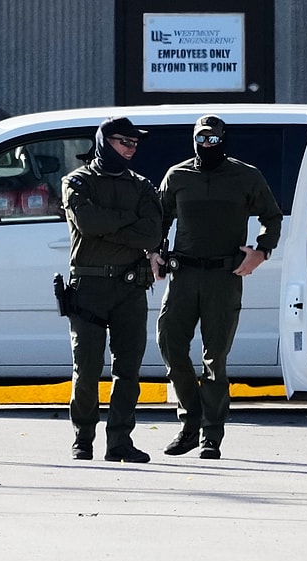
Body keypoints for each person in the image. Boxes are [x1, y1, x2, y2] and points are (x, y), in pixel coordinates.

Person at [150, 115, 283, 459]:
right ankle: (190, 422)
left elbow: (272, 215)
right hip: (183, 275)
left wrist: (262, 251)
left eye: (212, 139)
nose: (206, 145)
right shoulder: (177, 175)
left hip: (224, 277)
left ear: (223, 140)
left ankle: (211, 434)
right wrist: (154, 253)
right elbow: (159, 217)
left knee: (215, 356)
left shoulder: (245, 176)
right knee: (169, 344)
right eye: (201, 139)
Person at [60, 116, 163, 463]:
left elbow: (152, 234)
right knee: (87, 368)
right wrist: (126, 221)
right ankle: (83, 438)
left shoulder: (143, 186)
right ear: (105, 141)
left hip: (130, 286)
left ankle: (120, 440)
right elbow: (88, 223)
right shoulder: (77, 182)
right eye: (124, 142)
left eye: (135, 144)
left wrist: (109, 225)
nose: (130, 149)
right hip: (88, 285)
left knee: (128, 369)